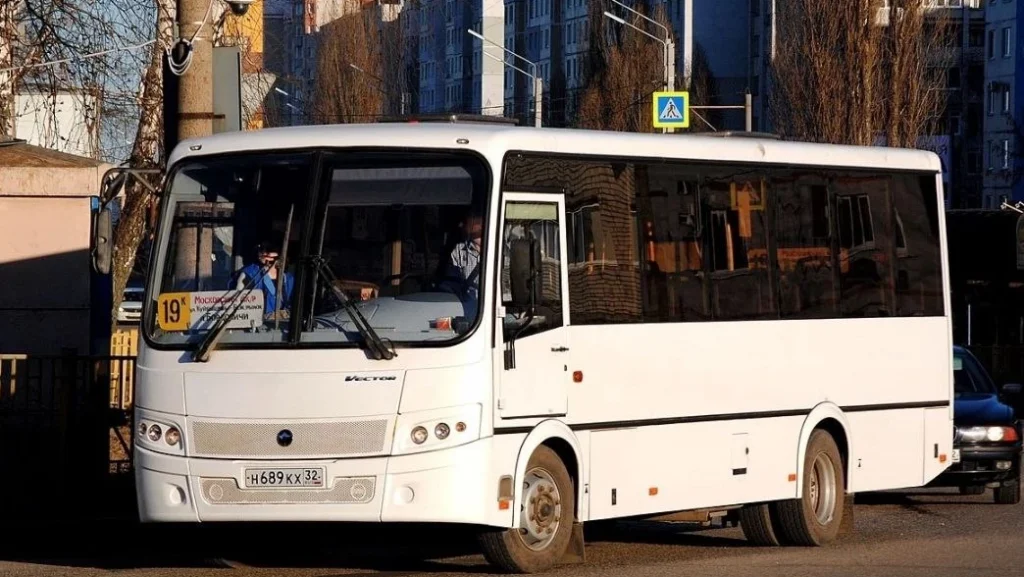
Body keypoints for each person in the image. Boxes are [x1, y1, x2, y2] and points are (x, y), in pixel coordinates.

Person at [233, 240, 294, 317]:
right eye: (262, 249)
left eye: (269, 250)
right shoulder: (249, 274)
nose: (264, 253)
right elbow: (238, 305)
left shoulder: (289, 278)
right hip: (256, 325)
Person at [445, 214, 483, 300]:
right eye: (475, 223)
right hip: (466, 306)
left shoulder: (503, 252)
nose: (479, 227)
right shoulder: (459, 251)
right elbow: (450, 283)